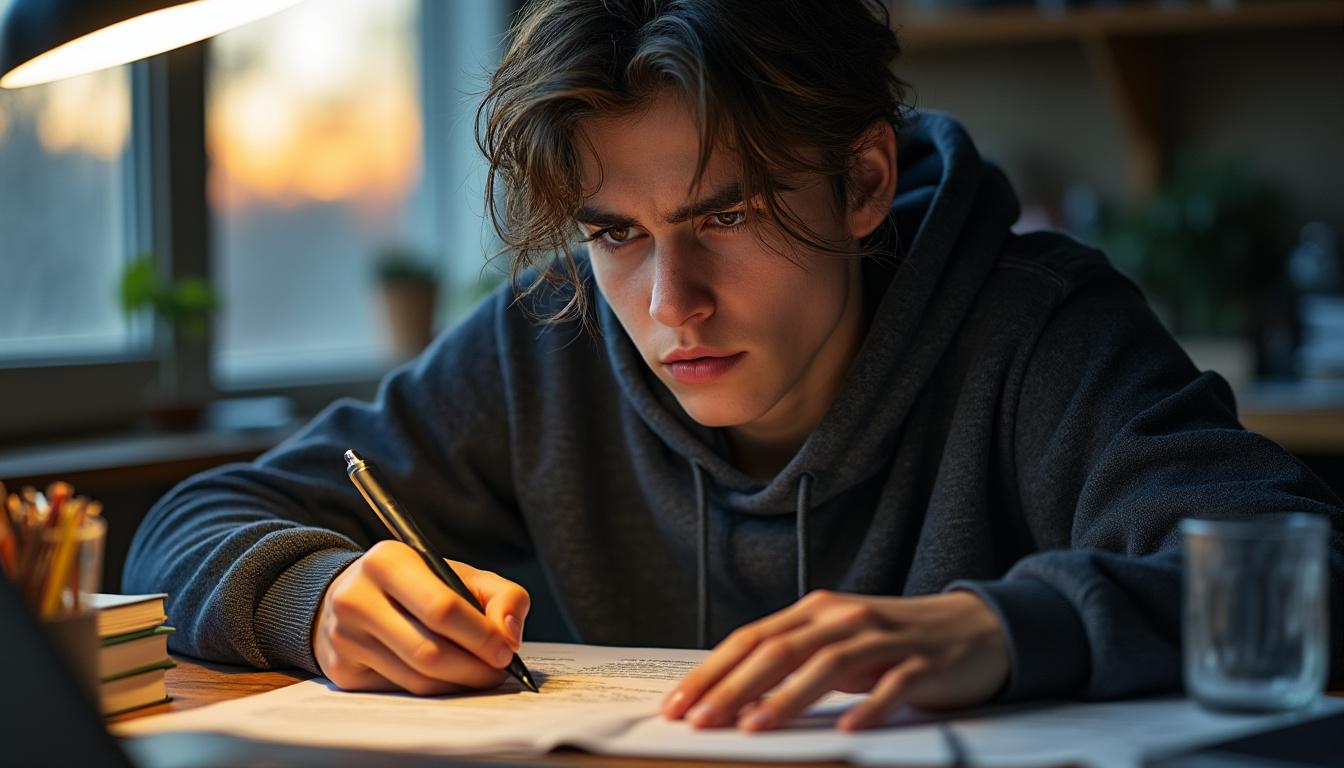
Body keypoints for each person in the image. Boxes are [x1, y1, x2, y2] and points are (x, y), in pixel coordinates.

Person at [125, 0, 1344, 733]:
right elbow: (189, 522)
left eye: (725, 217)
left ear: (863, 182)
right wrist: (313, 599)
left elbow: (1308, 568)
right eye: (616, 234)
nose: (669, 306)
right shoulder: (547, 337)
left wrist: (1004, 628)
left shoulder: (1035, 329)